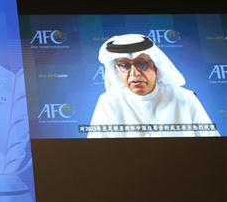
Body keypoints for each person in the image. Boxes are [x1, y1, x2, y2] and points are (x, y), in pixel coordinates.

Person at [88, 34, 219, 138]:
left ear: (156, 66)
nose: (134, 73)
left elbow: (212, 145)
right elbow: (96, 151)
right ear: (116, 70)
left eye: (141, 64)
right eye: (125, 66)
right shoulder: (108, 102)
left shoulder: (185, 98)